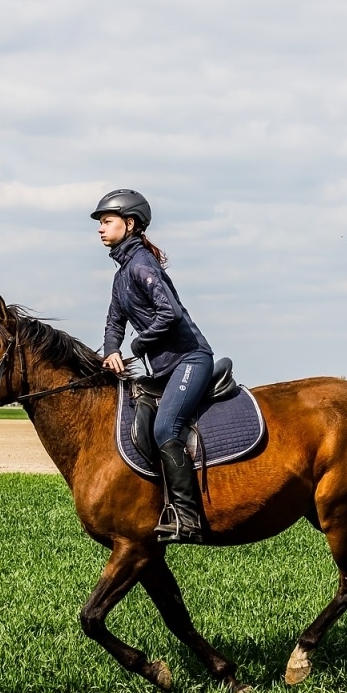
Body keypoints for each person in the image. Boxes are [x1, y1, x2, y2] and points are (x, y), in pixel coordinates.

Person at [93, 189, 213, 544]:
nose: (100, 229)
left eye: (106, 222)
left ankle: (187, 518)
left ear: (129, 224)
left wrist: (137, 344)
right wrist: (112, 350)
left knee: (165, 429)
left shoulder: (142, 264)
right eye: (100, 223)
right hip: (163, 370)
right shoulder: (122, 274)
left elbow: (170, 313)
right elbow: (114, 321)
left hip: (191, 360)